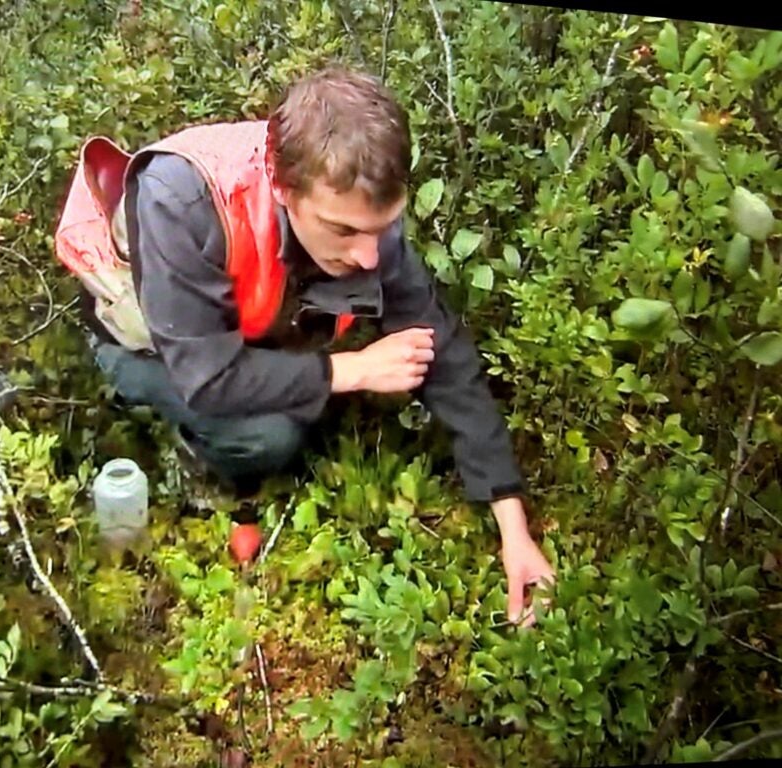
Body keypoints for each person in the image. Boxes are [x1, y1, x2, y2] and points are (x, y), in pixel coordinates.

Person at [55, 65, 555, 625]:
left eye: (382, 227)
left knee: (298, 379)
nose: (370, 257)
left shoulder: (352, 208)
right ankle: (186, 453)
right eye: (344, 232)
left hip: (244, 329)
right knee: (271, 436)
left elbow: (446, 356)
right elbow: (208, 377)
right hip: (145, 345)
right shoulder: (181, 200)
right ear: (284, 188)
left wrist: (513, 525)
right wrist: (355, 370)